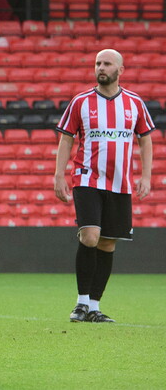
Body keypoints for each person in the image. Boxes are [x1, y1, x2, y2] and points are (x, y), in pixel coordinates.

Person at [55, 49, 154, 324]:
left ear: (120, 70)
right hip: (87, 178)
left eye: (107, 63)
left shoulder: (134, 103)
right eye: (98, 63)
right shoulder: (81, 101)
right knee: (90, 236)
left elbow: (145, 139)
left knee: (108, 243)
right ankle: (81, 303)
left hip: (120, 182)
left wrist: (146, 176)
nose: (101, 67)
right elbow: (66, 138)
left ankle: (94, 307)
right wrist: (59, 175)